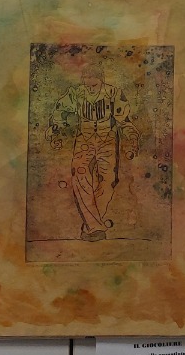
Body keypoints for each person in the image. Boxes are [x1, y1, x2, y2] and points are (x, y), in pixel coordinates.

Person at [52, 64, 135, 242]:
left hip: (108, 140)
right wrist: (56, 132)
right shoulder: (76, 93)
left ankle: (90, 225)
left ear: (101, 80)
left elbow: (124, 120)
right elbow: (59, 111)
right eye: (87, 84)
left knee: (108, 180)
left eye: (94, 85)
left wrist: (131, 139)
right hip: (84, 140)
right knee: (80, 177)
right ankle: (95, 227)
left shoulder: (113, 93)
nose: (90, 88)